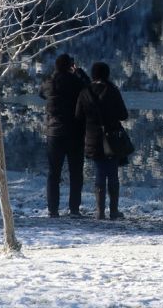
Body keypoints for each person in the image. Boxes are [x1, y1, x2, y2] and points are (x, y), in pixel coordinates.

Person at [75, 62, 129, 220]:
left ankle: (99, 211)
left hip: (92, 138)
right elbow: (123, 115)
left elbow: (78, 116)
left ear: (93, 74)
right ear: (107, 74)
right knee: (113, 174)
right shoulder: (112, 90)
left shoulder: (85, 92)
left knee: (99, 173)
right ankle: (113, 211)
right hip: (111, 138)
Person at [39, 53, 91, 218]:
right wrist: (79, 72)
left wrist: (54, 75)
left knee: (54, 173)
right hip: (75, 132)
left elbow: (41, 93)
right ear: (70, 66)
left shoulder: (50, 83)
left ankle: (52, 210)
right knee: (76, 172)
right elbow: (89, 88)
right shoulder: (76, 82)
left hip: (54, 133)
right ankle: (74, 209)